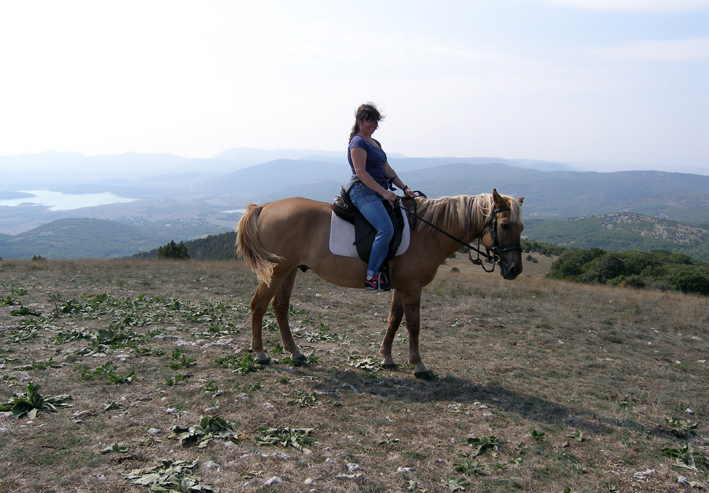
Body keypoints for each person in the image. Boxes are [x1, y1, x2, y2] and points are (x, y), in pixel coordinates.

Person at [343, 103, 415, 292]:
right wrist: (384, 192)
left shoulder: (375, 143)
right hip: (362, 191)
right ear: (359, 121)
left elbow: (387, 169)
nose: (372, 125)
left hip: (376, 190)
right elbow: (361, 172)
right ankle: (372, 276)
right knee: (385, 228)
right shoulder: (357, 142)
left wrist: (404, 187)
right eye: (369, 120)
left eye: (375, 121)